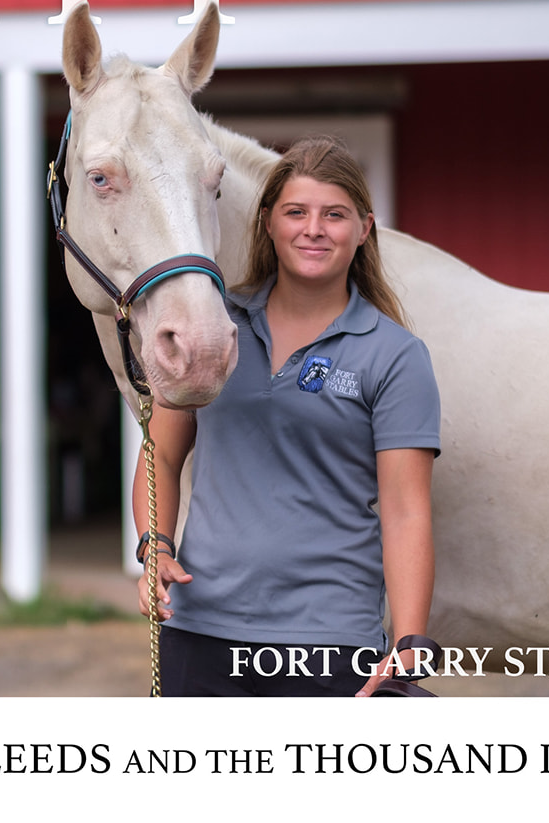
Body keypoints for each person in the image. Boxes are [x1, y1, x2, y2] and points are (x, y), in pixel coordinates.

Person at [133, 136, 440, 697]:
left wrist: (410, 640)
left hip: (331, 642)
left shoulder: (395, 355)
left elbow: (405, 509)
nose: (313, 229)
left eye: (335, 215)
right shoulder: (214, 331)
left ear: (364, 229)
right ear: (269, 223)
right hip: (200, 627)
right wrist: (154, 545)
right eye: (296, 212)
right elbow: (162, 455)